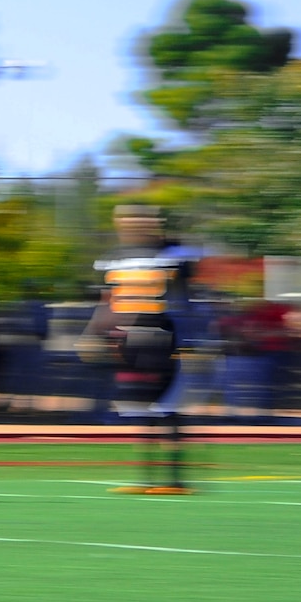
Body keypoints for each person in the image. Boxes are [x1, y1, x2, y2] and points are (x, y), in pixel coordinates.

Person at [82, 206, 193, 494]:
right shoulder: (111, 258)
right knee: (140, 409)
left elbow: (185, 301)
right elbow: (105, 302)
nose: (135, 226)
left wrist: (192, 341)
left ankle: (174, 478)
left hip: (163, 339)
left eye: (144, 220)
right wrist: (92, 333)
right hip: (128, 342)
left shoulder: (174, 255)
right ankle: (146, 478)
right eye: (128, 220)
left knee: (167, 407)